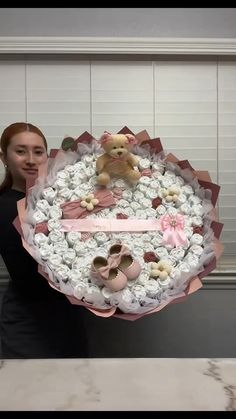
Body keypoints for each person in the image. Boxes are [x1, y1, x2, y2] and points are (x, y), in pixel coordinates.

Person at [0, 122, 89, 358]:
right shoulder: (3, 205)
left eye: (38, 152)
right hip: (29, 319)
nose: (31, 159)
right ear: (4, 157)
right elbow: (28, 276)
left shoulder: (60, 201)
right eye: (20, 151)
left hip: (68, 317)